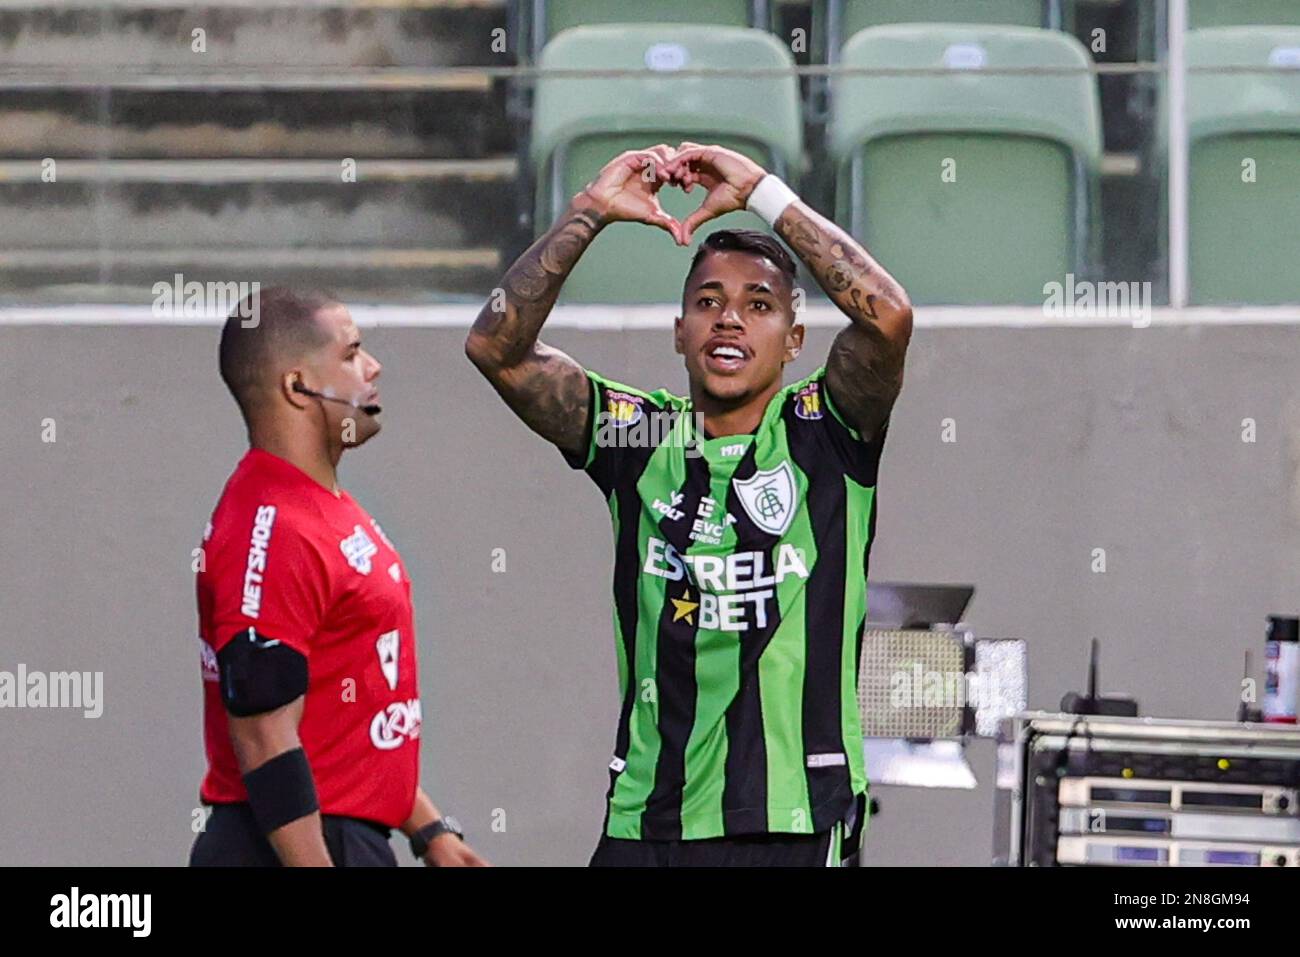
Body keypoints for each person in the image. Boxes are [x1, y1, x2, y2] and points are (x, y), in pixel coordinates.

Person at [466, 143, 913, 866]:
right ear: (680, 333)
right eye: (708, 302)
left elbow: (888, 316)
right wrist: (589, 211)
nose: (729, 319)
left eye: (758, 305)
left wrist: (763, 193)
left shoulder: (826, 430)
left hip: (790, 823)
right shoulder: (638, 435)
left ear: (795, 339)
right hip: (648, 822)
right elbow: (497, 347)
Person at [191, 287, 486, 867]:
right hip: (293, 846)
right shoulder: (272, 524)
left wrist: (429, 831)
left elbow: (344, 721)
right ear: (296, 385)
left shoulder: (324, 508)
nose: (373, 367)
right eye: (352, 354)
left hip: (349, 838)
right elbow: (262, 733)